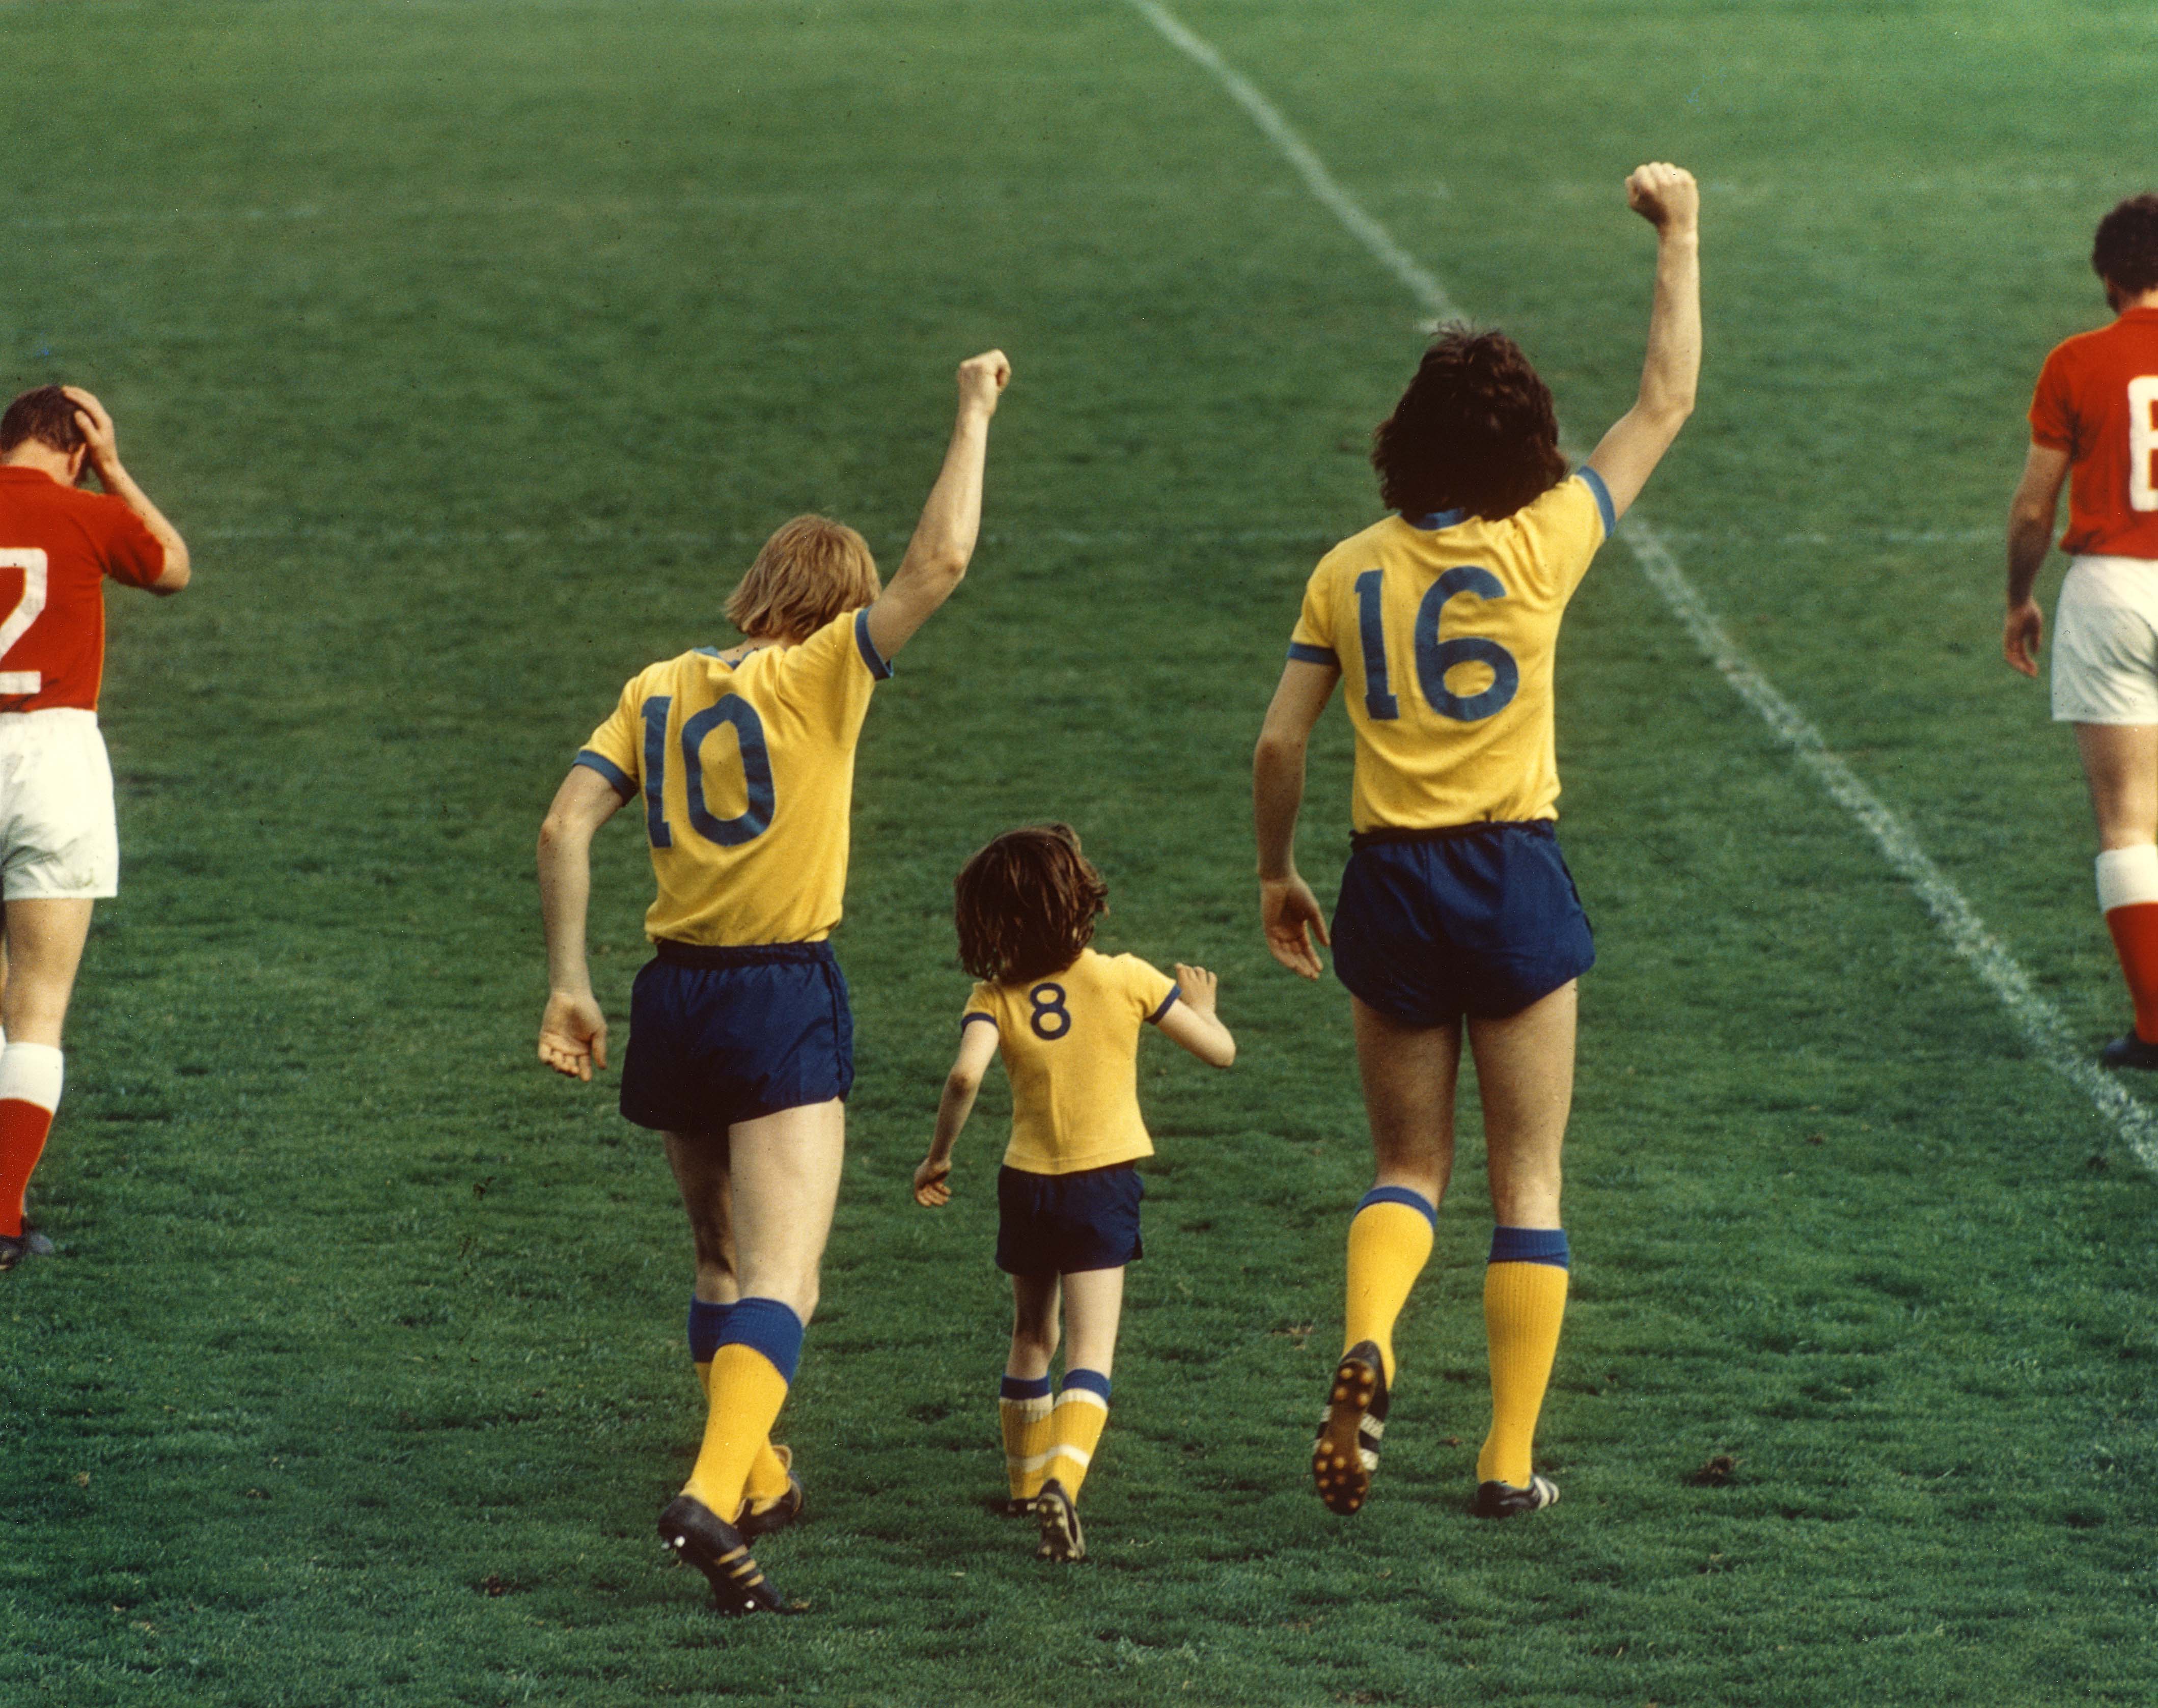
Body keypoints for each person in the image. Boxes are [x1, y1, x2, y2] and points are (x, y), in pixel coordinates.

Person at [1251, 164, 1700, 1520]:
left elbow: (1276, 745)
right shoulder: (1543, 545)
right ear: (1522, 451)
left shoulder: (1344, 570)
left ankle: (1370, 1337)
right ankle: (1504, 1461)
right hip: (1509, 873)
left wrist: (1275, 872)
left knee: (1405, 1166)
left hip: (1386, 881)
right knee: (1529, 1179)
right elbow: (1662, 402)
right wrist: (1679, 233)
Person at [535, 349, 1012, 1614]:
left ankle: (756, 1478)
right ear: (833, 609)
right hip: (777, 997)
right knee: (784, 1278)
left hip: (670, 994)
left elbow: (562, 826)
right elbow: (941, 563)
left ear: (757, 592)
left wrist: (568, 982)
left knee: (717, 1255)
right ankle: (707, 1491)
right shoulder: (822, 673)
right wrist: (973, 411)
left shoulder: (654, 688)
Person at [910, 824, 1234, 1563]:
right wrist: (1205, 1007)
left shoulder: (993, 996)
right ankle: (1063, 1481)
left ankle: (1024, 1487)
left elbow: (964, 1075)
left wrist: (938, 1157)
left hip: (1026, 1181)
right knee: (1091, 1348)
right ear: (1080, 903)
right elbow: (1220, 1052)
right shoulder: (1127, 977)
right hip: (1102, 1183)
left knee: (1033, 1334)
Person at [0, 385, 190, 1273]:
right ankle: (3, 1218)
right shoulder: (87, 511)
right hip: (55, 759)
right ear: (76, 450)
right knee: (37, 1007)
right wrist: (114, 469)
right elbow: (171, 566)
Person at [2003, 194, 2158, 1069]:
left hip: (2112, 594)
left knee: (2128, 821)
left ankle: (2154, 1028)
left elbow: (2034, 509)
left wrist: (2018, 598)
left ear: (2107, 276)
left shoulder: (2075, 361)